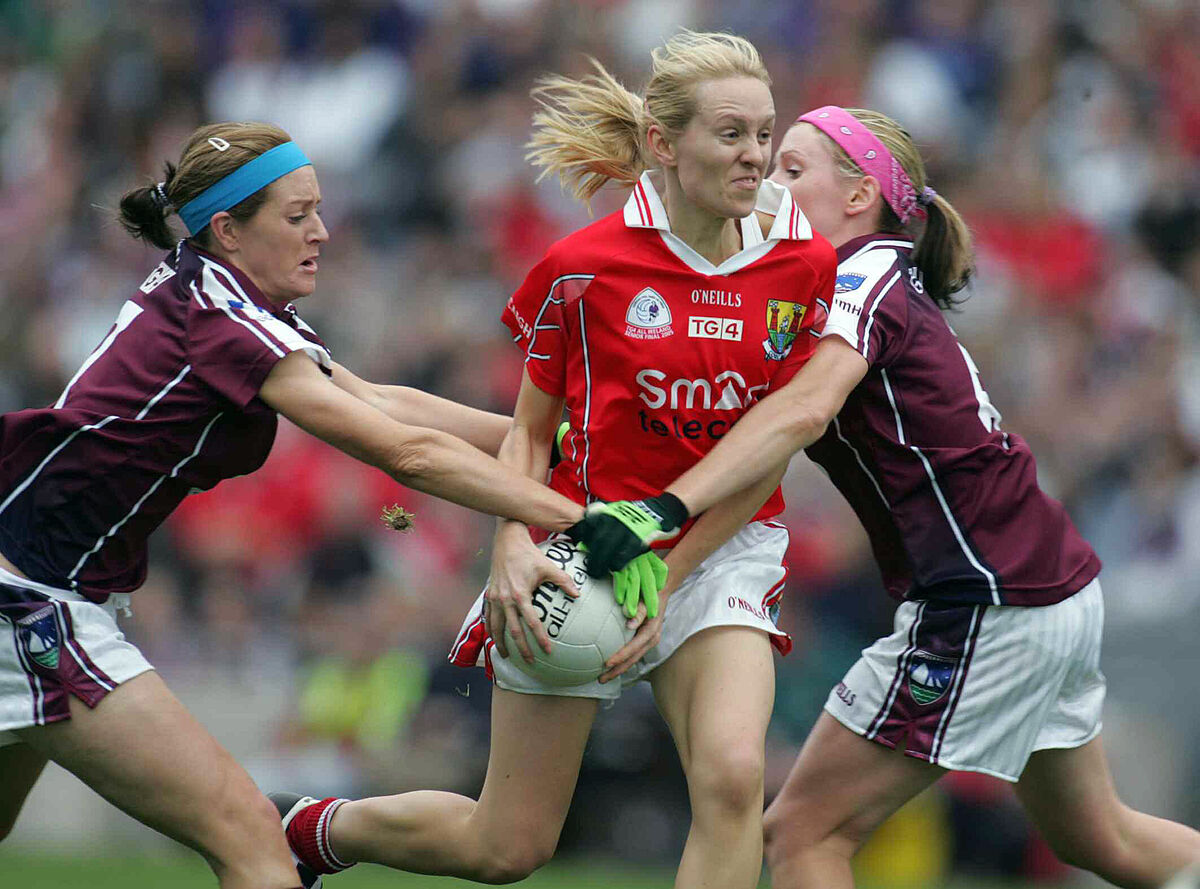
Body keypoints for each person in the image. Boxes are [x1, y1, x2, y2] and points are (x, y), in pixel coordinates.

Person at [573, 106, 1200, 888]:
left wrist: (662, 514)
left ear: (861, 195)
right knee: (1105, 840)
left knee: (803, 830)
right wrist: (670, 565)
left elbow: (801, 414)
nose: (770, 184)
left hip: (986, 598)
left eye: (793, 171)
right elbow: (758, 461)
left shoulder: (860, 273)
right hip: (1045, 587)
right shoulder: (834, 293)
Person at [270, 31, 835, 889]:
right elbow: (531, 434)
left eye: (764, 133)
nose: (756, 156)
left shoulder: (803, 263)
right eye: (731, 134)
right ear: (663, 144)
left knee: (731, 779)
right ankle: (315, 829)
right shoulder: (583, 268)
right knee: (509, 846)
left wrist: (670, 569)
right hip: (581, 551)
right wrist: (510, 542)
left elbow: (769, 447)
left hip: (718, 551)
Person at [0, 121, 596, 889]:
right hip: (31, 602)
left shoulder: (220, 293)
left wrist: (560, 437)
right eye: (296, 215)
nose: (321, 230)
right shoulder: (223, 318)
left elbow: (383, 401)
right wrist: (585, 515)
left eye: (319, 209)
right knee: (255, 844)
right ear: (229, 230)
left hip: (39, 585)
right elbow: (401, 450)